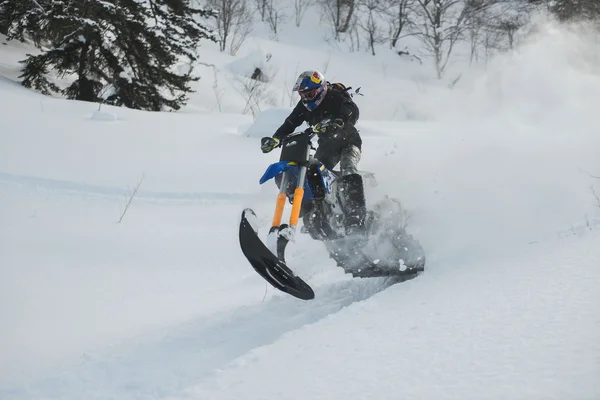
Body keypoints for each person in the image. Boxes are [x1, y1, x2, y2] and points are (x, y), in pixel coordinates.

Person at [260, 70, 366, 234]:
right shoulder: (304, 106)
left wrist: (340, 120)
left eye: (310, 93)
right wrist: (276, 139)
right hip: (327, 147)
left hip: (348, 141)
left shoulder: (334, 96)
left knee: (348, 168)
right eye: (303, 95)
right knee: (312, 173)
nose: (306, 98)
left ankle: (356, 218)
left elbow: (351, 108)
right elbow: (291, 122)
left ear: (321, 89)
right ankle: (316, 215)